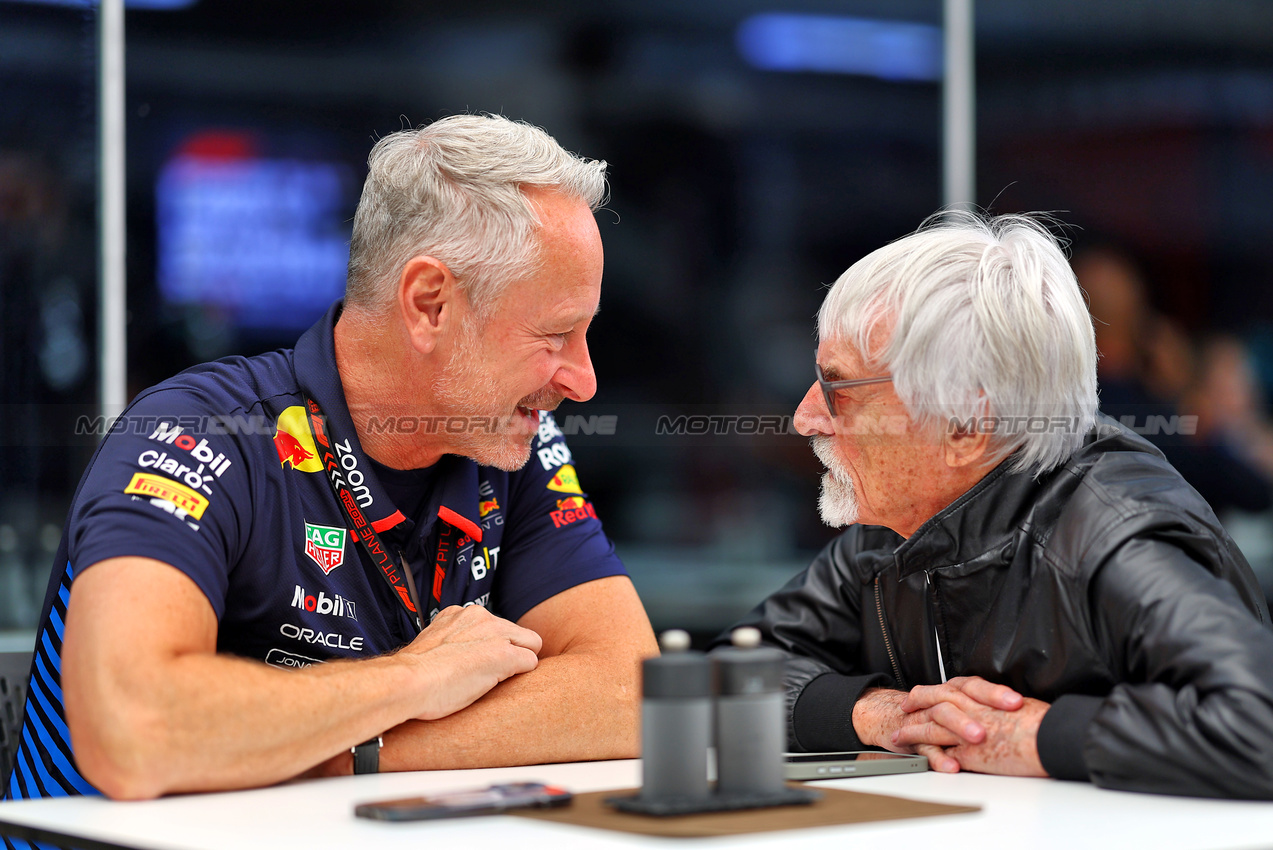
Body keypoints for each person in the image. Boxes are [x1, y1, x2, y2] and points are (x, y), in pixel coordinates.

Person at [2, 115, 657, 809]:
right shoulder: (203, 431)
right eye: (555, 335)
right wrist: (412, 678)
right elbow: (134, 729)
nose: (581, 381)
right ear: (428, 303)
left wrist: (344, 752)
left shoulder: (512, 446)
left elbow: (629, 692)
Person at [728, 211, 1273, 798]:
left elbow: (1258, 724)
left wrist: (1034, 735)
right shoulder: (897, 528)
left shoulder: (1113, 533)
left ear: (965, 425)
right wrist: (881, 713)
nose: (805, 417)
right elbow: (726, 675)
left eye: (837, 389)